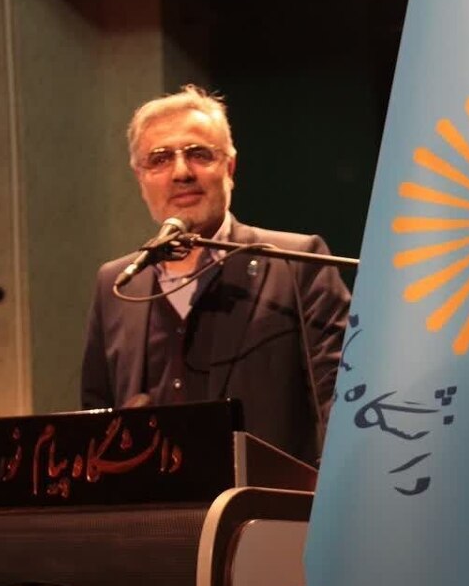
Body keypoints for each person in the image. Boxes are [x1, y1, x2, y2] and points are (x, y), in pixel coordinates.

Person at [80, 85, 351, 466]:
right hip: (152, 504)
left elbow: (342, 402)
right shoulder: (117, 284)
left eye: (199, 154)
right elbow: (96, 423)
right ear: (140, 178)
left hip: (266, 499)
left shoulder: (297, 264)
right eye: (160, 159)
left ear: (230, 167)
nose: (181, 172)